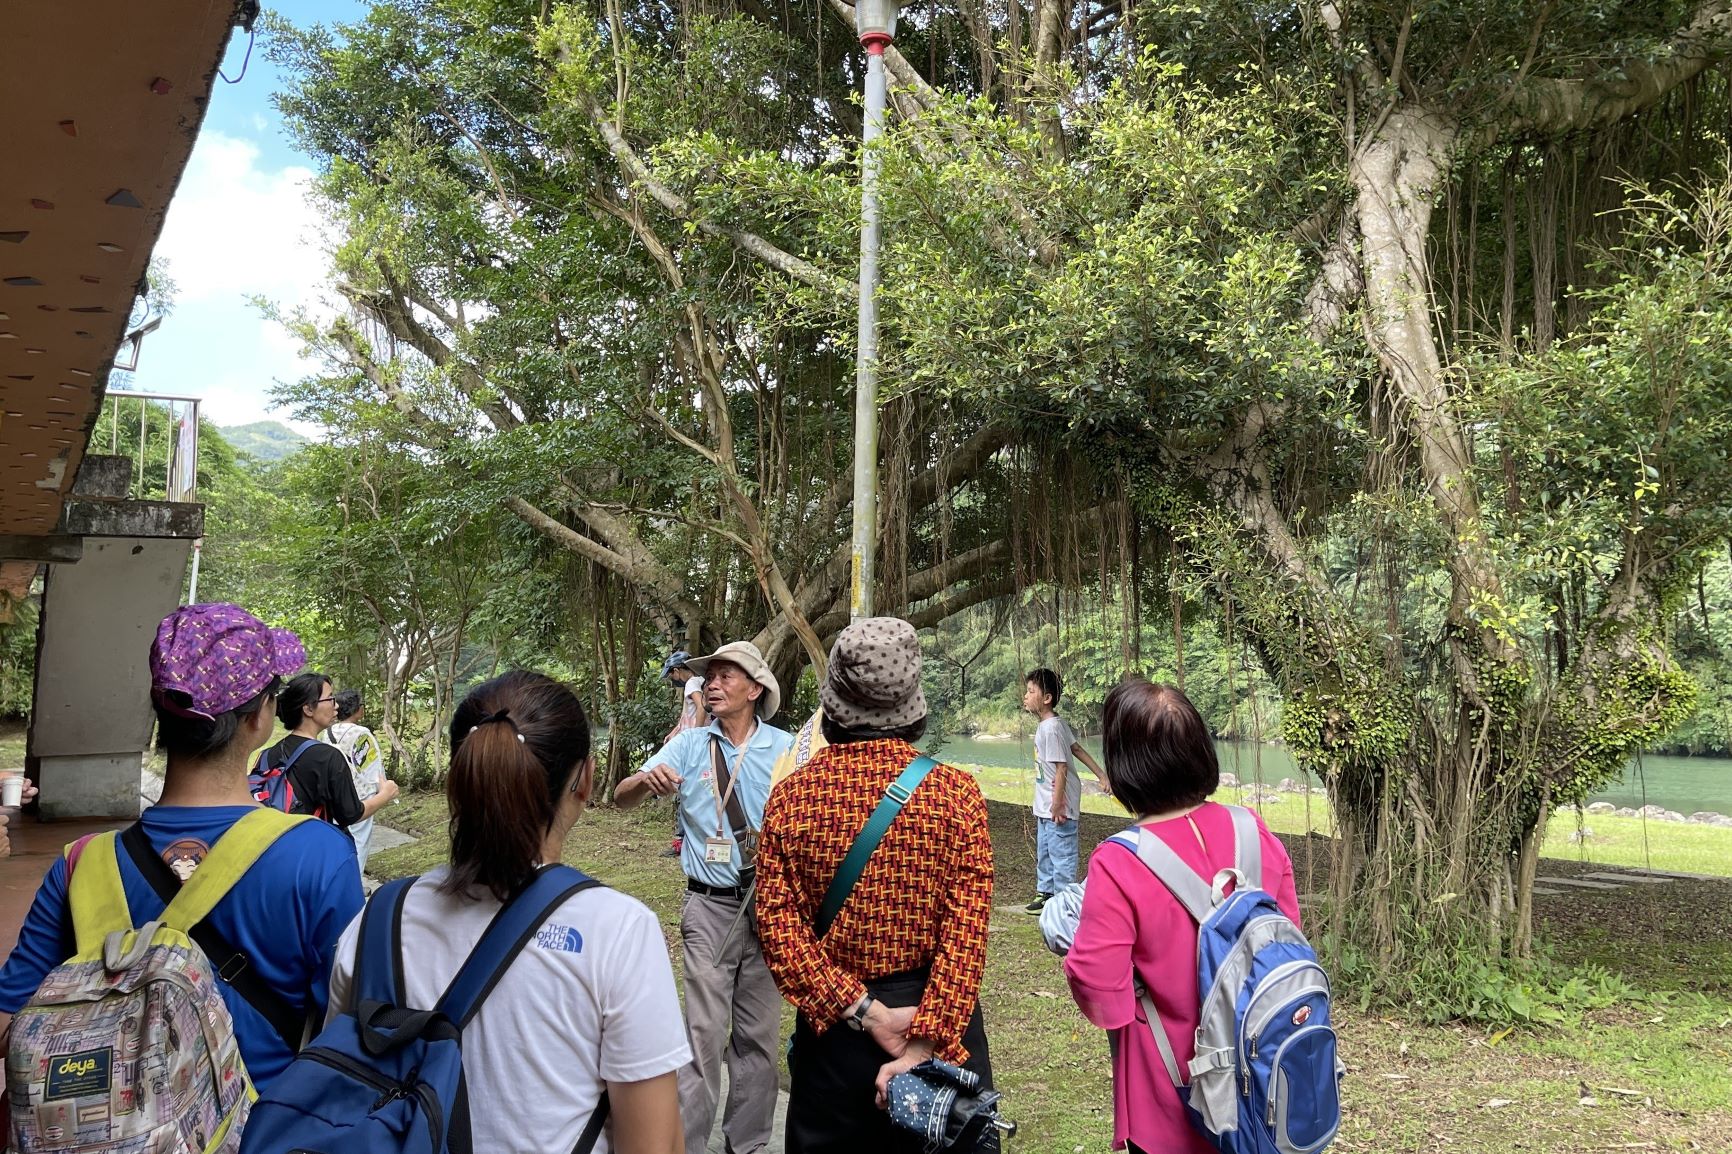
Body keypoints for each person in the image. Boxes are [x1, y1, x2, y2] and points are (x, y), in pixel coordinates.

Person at [0, 603, 365, 1087]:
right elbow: (349, 1031)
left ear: (161, 716)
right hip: (260, 1129)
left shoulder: (81, 861)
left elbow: (10, 1024)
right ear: (260, 717)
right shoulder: (318, 854)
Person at [326, 670, 688, 1154]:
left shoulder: (379, 919)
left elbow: (340, 1082)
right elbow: (653, 1146)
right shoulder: (616, 932)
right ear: (586, 778)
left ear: (461, 775)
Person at [757, 617, 995, 1153]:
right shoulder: (955, 796)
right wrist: (924, 1041)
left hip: (838, 1031)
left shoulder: (792, 799)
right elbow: (966, 936)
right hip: (936, 1025)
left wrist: (867, 1012)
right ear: (910, 703)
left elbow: (778, 931)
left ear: (834, 704)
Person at [1061, 678, 1301, 1154]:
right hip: (1264, 1089)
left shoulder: (1119, 862)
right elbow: (1287, 938)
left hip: (1171, 1097)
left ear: (1123, 764)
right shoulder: (1253, 831)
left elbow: (1099, 990)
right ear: (1200, 751)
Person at [615, 640, 792, 1154]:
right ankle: (686, 1145)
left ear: (755, 689)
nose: (712, 684)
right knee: (703, 1034)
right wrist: (647, 782)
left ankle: (749, 1143)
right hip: (709, 907)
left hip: (769, 906)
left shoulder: (786, 749)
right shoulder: (689, 745)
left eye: (725, 676)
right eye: (709, 676)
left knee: (759, 1035)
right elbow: (622, 797)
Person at [260, 672, 398, 829]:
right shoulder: (328, 756)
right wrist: (385, 795)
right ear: (308, 709)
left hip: (276, 843)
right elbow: (350, 814)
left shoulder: (267, 754)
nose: (337, 705)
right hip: (314, 846)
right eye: (330, 698)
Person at [1022, 667, 1107, 913]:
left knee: (1062, 854)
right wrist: (1101, 774)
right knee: (1046, 851)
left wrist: (1058, 803)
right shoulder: (1053, 724)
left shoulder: (1051, 728)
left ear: (1046, 698)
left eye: (1031, 691)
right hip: (1046, 805)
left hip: (1058, 806)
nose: (1025, 696)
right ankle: (1045, 893)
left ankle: (1064, 903)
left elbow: (1062, 768)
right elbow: (1077, 749)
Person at [325, 689, 388, 873]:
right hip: (361, 794)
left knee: (341, 840)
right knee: (360, 840)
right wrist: (382, 790)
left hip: (336, 793)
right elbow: (373, 764)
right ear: (356, 709)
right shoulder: (362, 733)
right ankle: (355, 883)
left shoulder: (327, 732)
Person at [659, 651, 708, 857]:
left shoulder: (692, 683)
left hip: (694, 746)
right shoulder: (698, 682)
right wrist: (674, 732)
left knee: (685, 788)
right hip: (692, 742)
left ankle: (681, 842)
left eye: (670, 675)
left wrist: (695, 734)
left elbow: (700, 707)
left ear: (677, 670)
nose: (671, 679)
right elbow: (685, 714)